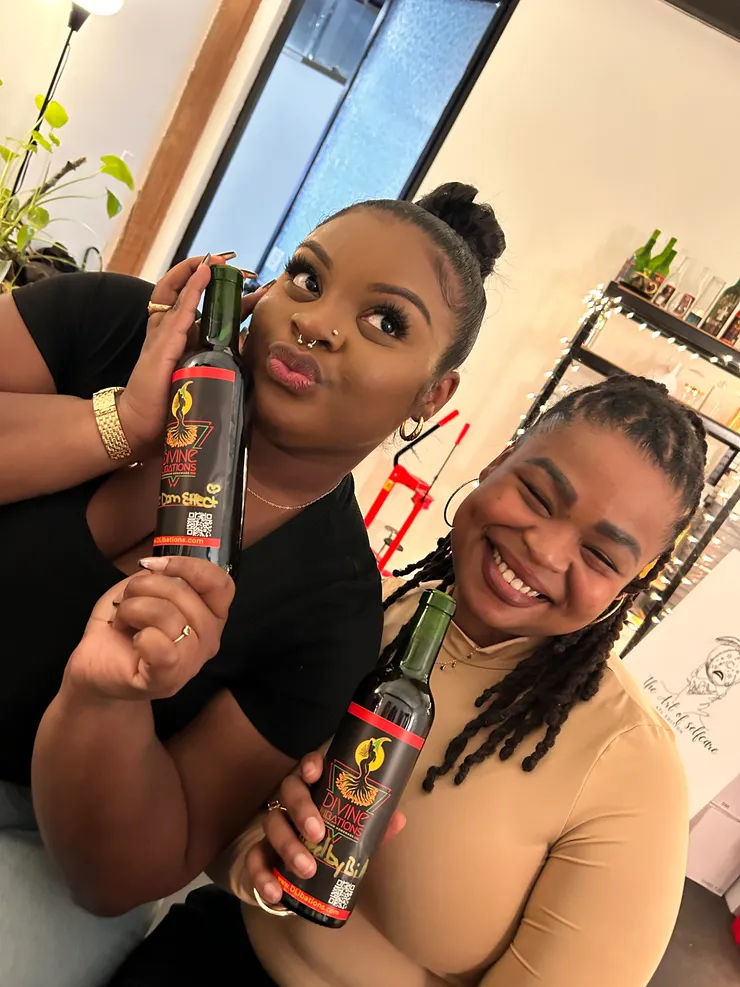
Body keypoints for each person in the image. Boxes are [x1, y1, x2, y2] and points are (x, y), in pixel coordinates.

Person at [0, 182, 505, 986]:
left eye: (386, 321)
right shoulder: (114, 327)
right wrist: (123, 425)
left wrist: (111, 701)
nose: (318, 323)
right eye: (307, 277)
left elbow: (118, 877)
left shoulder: (333, 610)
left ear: (430, 396)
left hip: (34, 834)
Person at [110, 375, 706, 987]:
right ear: (499, 463)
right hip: (205, 955)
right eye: (537, 495)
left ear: (628, 588)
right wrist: (258, 861)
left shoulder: (630, 765)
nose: (547, 552)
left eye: (602, 556)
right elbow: (204, 815)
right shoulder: (360, 611)